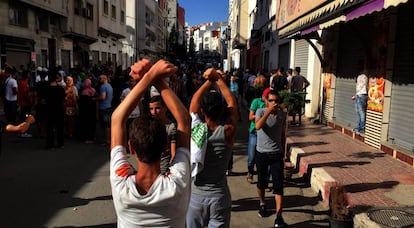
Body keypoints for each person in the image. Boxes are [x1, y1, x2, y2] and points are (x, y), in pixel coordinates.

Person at [110, 59, 191, 227]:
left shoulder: (121, 183)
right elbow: (184, 120)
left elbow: (117, 120)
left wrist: (150, 76)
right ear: (165, 147)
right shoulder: (177, 183)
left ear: (131, 148)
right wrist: (153, 77)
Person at [186, 68, 238, 228]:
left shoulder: (196, 130)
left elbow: (194, 103)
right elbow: (232, 104)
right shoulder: (227, 132)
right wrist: (219, 80)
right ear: (222, 111)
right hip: (219, 197)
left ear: (203, 111)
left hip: (196, 197)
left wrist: (210, 80)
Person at [255, 90, 288, 227]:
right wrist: (268, 111)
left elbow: (282, 134)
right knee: (262, 183)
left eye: (276, 101)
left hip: (276, 154)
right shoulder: (261, 112)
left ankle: (278, 217)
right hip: (262, 153)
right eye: (271, 100)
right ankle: (262, 204)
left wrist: (284, 153)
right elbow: (257, 126)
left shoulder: (282, 115)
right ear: (266, 101)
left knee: (278, 186)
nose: (274, 103)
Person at [246, 87, 269, 184]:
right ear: (263, 96)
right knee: (252, 157)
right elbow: (250, 117)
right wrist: (262, 115)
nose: (269, 100)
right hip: (255, 132)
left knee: (265, 158)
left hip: (266, 134)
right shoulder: (256, 102)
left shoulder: (271, 105)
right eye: (268, 98)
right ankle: (250, 172)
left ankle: (264, 180)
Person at [148, 95, 176, 174]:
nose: (154, 112)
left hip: (164, 171)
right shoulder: (148, 126)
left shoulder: (170, 127)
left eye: (157, 108)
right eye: (151, 109)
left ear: (165, 108)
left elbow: (173, 153)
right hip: (149, 171)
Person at [44, 71, 66, 149]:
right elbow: (63, 99)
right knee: (60, 127)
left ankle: (50, 144)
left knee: (49, 128)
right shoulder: (60, 89)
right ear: (56, 79)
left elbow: (44, 100)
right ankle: (61, 143)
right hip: (59, 109)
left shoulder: (47, 88)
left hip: (49, 109)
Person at [94, 74, 113, 146]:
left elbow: (102, 97)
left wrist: (95, 98)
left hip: (103, 108)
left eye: (100, 78)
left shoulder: (103, 87)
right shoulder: (110, 86)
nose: (99, 80)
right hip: (109, 106)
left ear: (104, 79)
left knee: (105, 125)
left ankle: (107, 140)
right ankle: (108, 139)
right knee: (107, 124)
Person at [351, 62, 368, 134]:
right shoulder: (359, 76)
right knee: (358, 112)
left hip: (362, 96)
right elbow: (358, 88)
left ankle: (362, 128)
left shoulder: (364, 76)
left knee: (361, 112)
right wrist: (355, 95)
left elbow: (360, 87)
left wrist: (357, 94)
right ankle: (358, 127)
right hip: (359, 95)